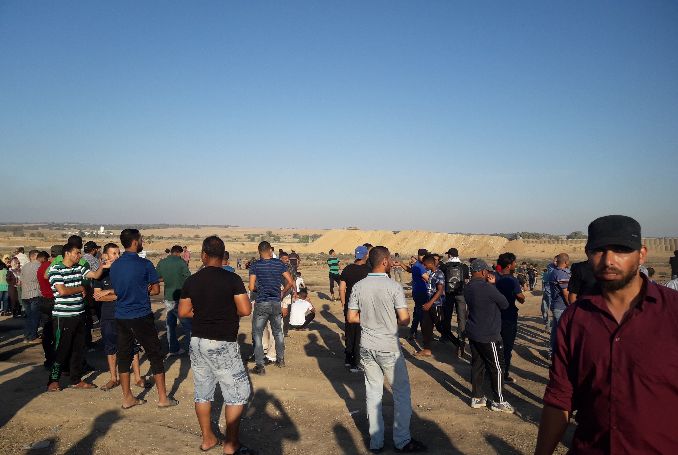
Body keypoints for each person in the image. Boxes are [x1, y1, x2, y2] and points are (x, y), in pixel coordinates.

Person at [535, 215, 678, 454]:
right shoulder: (575, 318)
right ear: (587, 254)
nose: (609, 260)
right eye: (599, 250)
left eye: (621, 250)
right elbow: (560, 398)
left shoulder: (672, 312)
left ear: (641, 254)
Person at [178, 236, 255, 455]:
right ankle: (231, 445)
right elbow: (245, 309)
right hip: (222, 341)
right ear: (223, 256)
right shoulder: (232, 279)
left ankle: (207, 439)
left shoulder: (192, 280)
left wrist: (204, 313)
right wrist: (225, 311)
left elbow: (183, 312)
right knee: (237, 394)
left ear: (203, 255)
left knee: (203, 392)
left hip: (197, 341)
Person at [347, 246, 427, 453]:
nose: (392, 262)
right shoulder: (393, 287)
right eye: (390, 259)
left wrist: (370, 319)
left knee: (373, 393)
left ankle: (376, 442)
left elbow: (351, 317)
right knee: (401, 393)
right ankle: (402, 440)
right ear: (384, 261)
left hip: (367, 346)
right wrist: (390, 320)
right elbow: (404, 319)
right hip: (388, 347)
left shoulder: (358, 286)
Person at [110, 228, 177, 409]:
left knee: (124, 356)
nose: (142, 243)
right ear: (135, 242)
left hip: (121, 315)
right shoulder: (145, 264)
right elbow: (155, 290)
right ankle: (163, 398)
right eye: (141, 240)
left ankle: (127, 398)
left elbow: (118, 289)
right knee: (154, 354)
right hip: (141, 315)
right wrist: (143, 290)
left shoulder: (115, 265)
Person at [46, 242, 109, 391]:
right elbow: (62, 291)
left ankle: (76, 379)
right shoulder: (55, 269)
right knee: (61, 349)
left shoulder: (79, 268)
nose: (79, 256)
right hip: (63, 316)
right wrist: (80, 288)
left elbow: (95, 275)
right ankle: (53, 380)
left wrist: (103, 266)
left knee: (78, 349)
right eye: (77, 253)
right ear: (67, 253)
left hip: (79, 314)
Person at [93, 243, 147, 391]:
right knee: (110, 347)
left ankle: (137, 377)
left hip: (127, 314)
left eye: (118, 253)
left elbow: (131, 292)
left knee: (132, 346)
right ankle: (113, 378)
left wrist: (108, 292)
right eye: (113, 253)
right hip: (108, 315)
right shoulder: (100, 274)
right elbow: (97, 296)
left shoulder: (125, 271)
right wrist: (116, 294)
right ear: (105, 255)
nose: (117, 256)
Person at [463, 259, 514, 413]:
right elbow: (505, 304)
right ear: (484, 272)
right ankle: (499, 400)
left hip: (474, 331)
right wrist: (493, 286)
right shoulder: (487, 288)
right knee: (497, 367)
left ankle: (477, 397)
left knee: (477, 365)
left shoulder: (468, 286)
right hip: (489, 334)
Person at [248, 241, 295, 375]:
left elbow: (251, 287)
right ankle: (280, 359)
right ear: (270, 250)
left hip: (261, 303)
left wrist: (260, 289)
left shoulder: (255, 265)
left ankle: (260, 366)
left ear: (259, 252)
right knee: (278, 332)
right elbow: (290, 282)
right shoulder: (279, 264)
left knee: (257, 333)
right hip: (275, 302)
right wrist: (282, 292)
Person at [418, 254, 458, 357]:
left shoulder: (439, 273)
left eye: (425, 264)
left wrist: (430, 303)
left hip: (436, 305)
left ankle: (458, 344)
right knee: (426, 326)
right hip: (429, 304)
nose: (424, 266)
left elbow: (440, 290)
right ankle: (427, 349)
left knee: (442, 328)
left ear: (430, 264)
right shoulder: (432, 273)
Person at [156, 245, 192, 356]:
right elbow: (188, 278)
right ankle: (191, 348)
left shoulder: (162, 262)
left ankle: (173, 348)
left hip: (168, 296)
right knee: (187, 324)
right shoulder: (181, 263)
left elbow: (157, 277)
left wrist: (167, 279)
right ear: (179, 252)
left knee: (170, 325)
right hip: (180, 297)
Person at [495, 253, 525, 383]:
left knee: (495, 346)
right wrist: (520, 296)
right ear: (509, 265)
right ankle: (503, 374)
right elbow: (521, 298)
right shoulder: (512, 280)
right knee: (507, 347)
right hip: (509, 317)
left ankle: (493, 371)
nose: (515, 265)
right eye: (514, 263)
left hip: (495, 316)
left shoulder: (494, 278)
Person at [339, 246, 370, 372]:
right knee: (359, 335)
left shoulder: (347, 269)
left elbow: (342, 288)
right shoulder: (369, 271)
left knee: (349, 332)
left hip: (349, 306)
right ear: (366, 255)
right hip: (363, 306)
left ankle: (348, 359)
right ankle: (355, 363)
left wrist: (343, 303)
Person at [440, 248, 470, 357]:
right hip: (461, 294)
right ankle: (461, 341)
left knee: (447, 317)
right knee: (462, 319)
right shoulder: (464, 267)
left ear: (449, 255)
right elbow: (466, 280)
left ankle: (447, 337)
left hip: (449, 295)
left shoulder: (444, 266)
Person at [397, 249, 430, 340]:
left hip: (417, 292)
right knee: (421, 313)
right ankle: (417, 333)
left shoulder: (417, 265)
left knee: (418, 312)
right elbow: (428, 279)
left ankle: (413, 332)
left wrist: (400, 264)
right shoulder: (420, 266)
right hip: (422, 292)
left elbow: (410, 270)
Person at [547, 253, 571, 355]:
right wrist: (571, 305)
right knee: (562, 332)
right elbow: (566, 293)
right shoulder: (561, 274)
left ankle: (552, 352)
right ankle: (558, 354)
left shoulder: (554, 272)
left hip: (556, 305)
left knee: (555, 331)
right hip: (561, 306)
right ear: (566, 262)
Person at [20, 250, 42, 342]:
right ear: (33, 256)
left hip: (25, 294)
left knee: (29, 316)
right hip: (35, 293)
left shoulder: (24, 266)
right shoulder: (39, 266)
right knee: (35, 316)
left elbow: (21, 281)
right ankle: (33, 335)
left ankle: (26, 335)